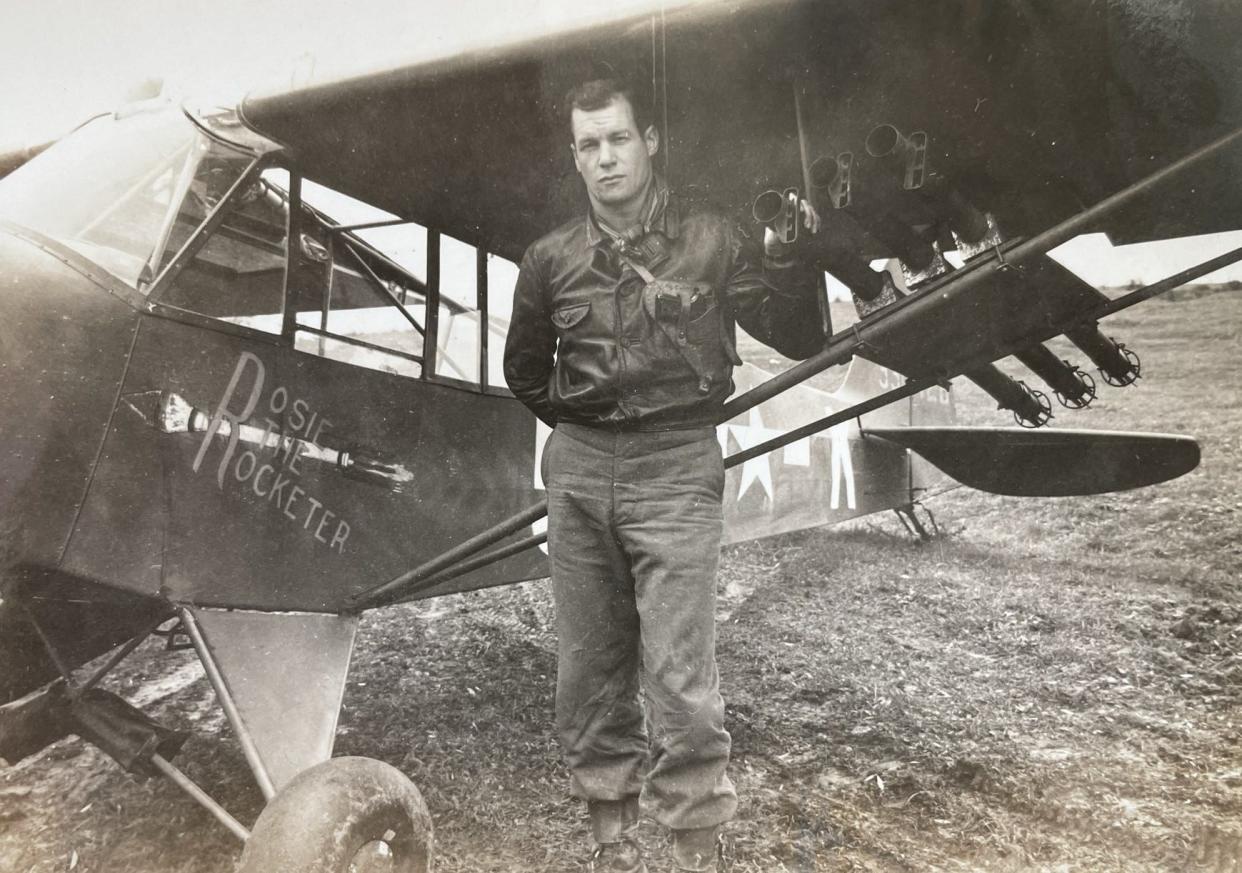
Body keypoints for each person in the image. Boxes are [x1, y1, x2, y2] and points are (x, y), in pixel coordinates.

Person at [503, 77, 825, 873]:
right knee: (588, 664)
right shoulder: (548, 259)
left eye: (618, 139)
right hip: (577, 465)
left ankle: (692, 845)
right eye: (588, 145)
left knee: (680, 673)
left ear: (649, 141)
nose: (605, 158)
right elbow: (524, 372)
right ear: (575, 158)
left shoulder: (712, 237)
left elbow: (792, 328)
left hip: (677, 461)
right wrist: (588, 426)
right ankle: (610, 839)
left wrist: (787, 257)